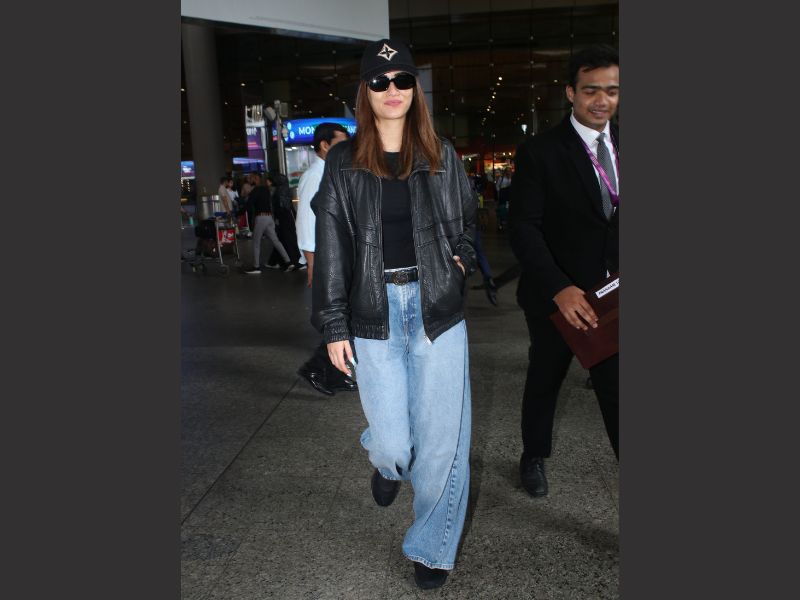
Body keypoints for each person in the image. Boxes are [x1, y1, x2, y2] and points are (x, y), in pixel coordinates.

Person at [311, 38, 477, 590]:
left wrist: (460, 262)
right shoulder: (343, 161)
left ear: (414, 89)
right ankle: (384, 462)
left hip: (437, 311)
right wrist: (334, 325)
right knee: (394, 445)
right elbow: (331, 245)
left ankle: (431, 547)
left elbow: (467, 221)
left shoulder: (439, 152)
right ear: (365, 91)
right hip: (373, 312)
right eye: (379, 81)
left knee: (443, 446)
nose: (392, 90)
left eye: (402, 79)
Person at [509, 44, 620, 498]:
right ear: (571, 93)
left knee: (617, 389)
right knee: (545, 378)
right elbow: (524, 228)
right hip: (557, 299)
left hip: (613, 296)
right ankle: (533, 454)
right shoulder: (541, 152)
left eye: (612, 91)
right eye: (591, 90)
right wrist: (559, 288)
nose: (602, 100)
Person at [295, 122, 356, 396]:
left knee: (348, 315)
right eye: (342, 141)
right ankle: (316, 368)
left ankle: (335, 372)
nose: (348, 146)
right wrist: (312, 263)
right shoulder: (315, 176)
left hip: (338, 256)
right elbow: (307, 224)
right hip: (325, 258)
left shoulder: (332, 170)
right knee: (344, 316)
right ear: (324, 145)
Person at [243, 173, 295, 273]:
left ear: (255, 179)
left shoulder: (257, 190)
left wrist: (237, 213)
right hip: (269, 218)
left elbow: (249, 204)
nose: (249, 180)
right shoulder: (268, 190)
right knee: (276, 241)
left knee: (256, 242)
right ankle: (289, 262)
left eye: (251, 178)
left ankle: (256, 267)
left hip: (261, 218)